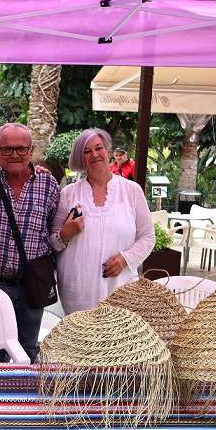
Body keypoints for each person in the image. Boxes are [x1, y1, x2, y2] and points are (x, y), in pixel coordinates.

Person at [0, 123, 60, 362]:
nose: (14, 155)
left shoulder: (48, 184)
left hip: (30, 284)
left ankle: (25, 399)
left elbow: (53, 232)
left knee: (29, 349)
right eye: (7, 149)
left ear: (31, 151)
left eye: (21, 149)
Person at [52, 128, 155, 314]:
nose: (94, 154)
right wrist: (65, 234)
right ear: (80, 158)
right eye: (86, 151)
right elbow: (53, 243)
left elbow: (147, 237)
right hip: (78, 291)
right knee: (80, 340)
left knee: (119, 340)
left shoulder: (132, 191)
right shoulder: (68, 194)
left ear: (108, 152)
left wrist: (125, 259)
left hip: (121, 289)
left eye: (98, 148)